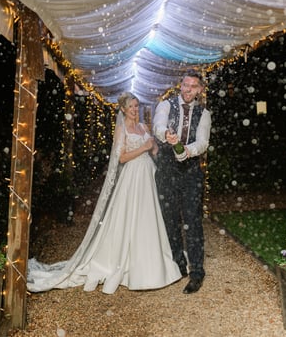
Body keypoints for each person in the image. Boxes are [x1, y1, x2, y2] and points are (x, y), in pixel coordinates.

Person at [27, 92, 181, 294]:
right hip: (132, 178)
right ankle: (126, 262)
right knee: (131, 217)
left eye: (137, 106)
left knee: (148, 217)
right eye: (132, 107)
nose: (136, 110)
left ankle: (151, 261)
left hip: (148, 177)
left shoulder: (143, 127)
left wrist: (161, 149)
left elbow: (154, 151)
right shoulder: (121, 129)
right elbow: (122, 158)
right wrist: (143, 147)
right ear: (124, 109)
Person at [153, 70, 211, 294]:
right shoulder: (166, 105)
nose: (188, 89)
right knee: (170, 220)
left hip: (191, 172)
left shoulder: (204, 113)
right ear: (181, 86)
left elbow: (203, 142)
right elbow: (158, 125)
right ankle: (178, 263)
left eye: (193, 86)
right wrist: (165, 134)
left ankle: (197, 272)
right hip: (167, 169)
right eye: (185, 85)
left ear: (199, 90)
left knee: (193, 222)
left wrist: (189, 150)